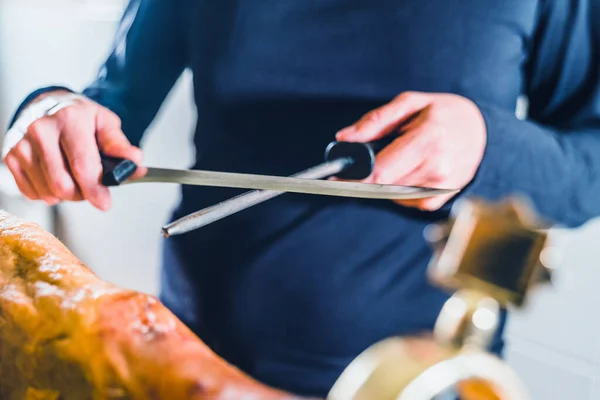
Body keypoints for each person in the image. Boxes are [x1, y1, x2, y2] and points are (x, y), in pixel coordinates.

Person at [3, 0, 600, 396]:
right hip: (183, 360)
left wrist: (489, 146)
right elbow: (113, 92)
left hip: (413, 382)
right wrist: (49, 111)